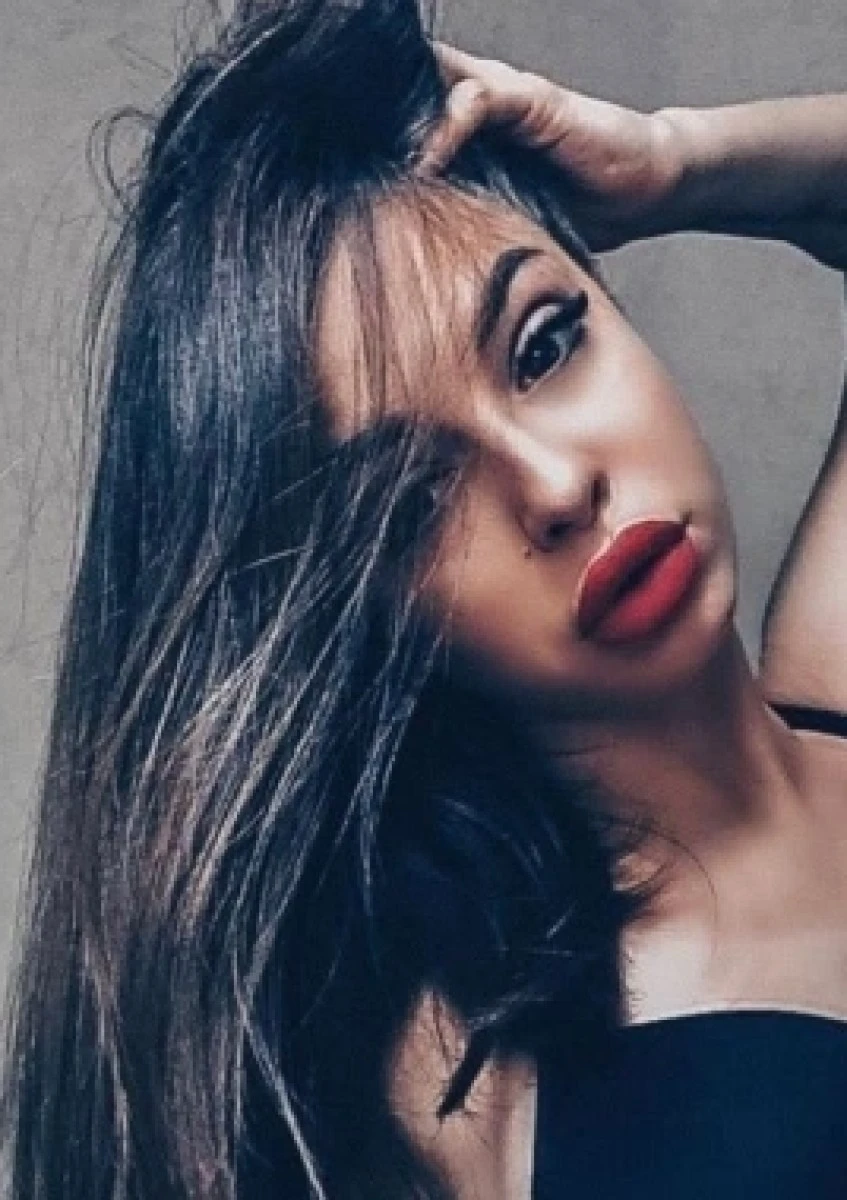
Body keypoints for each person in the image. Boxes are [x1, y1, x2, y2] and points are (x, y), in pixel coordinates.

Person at [5, 0, 847, 1197]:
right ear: (360, 610)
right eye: (413, 500)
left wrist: (671, 157)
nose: (554, 486)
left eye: (543, 345)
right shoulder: (462, 1077)